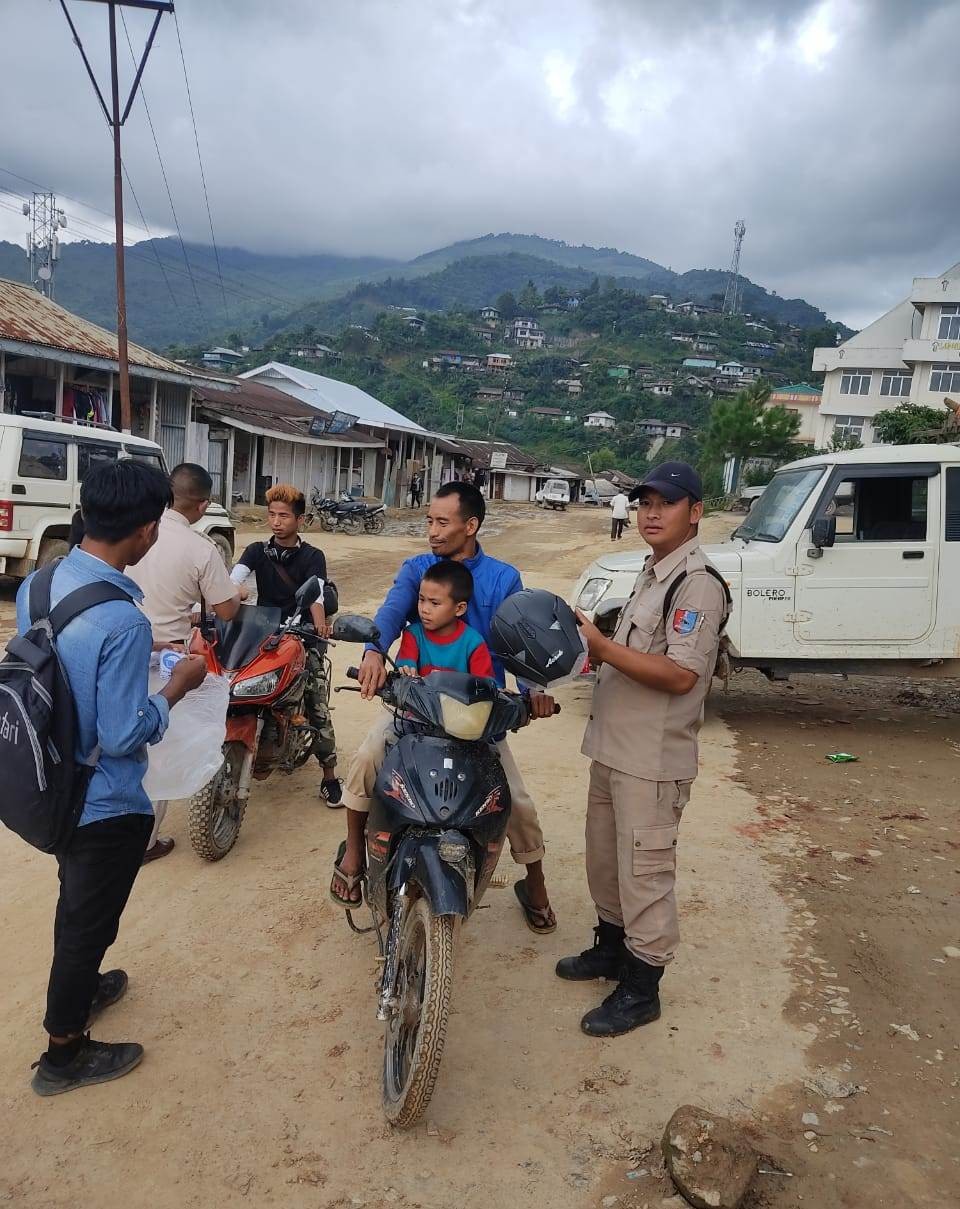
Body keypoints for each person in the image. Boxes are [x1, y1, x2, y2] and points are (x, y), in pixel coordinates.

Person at [17, 460, 207, 1096]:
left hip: (49, 776)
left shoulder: (42, 584)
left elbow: (58, 657)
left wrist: (142, 656)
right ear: (148, 531)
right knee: (86, 921)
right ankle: (63, 1055)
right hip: (102, 802)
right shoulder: (123, 619)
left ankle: (87, 982)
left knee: (78, 903)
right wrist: (177, 684)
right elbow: (124, 734)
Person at [330, 481, 558, 932]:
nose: (431, 531)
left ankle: (534, 880)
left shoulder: (503, 578)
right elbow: (391, 615)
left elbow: (520, 640)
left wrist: (533, 691)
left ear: (470, 526)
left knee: (518, 801)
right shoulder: (417, 569)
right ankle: (355, 851)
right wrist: (374, 652)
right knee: (366, 759)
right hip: (417, 710)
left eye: (441, 522)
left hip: (478, 718)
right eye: (429, 521)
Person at [560, 461, 729, 1038]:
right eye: (644, 503)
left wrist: (603, 648)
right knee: (605, 863)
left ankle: (641, 988)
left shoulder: (696, 583)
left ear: (696, 512)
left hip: (652, 762)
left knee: (646, 874)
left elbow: (682, 675)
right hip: (613, 749)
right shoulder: (651, 574)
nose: (652, 513)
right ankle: (610, 950)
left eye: (667, 503)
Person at [330, 561, 494, 905]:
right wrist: (403, 672)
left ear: (460, 608)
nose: (424, 609)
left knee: (499, 788)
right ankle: (356, 847)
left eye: (435, 603)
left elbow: (486, 687)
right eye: (421, 600)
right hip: (411, 723)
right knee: (364, 758)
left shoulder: (474, 644)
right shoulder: (414, 634)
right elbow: (405, 665)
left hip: (460, 732)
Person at [126, 463, 245, 862]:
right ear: (203, 504)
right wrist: (239, 593)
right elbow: (226, 611)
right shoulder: (200, 547)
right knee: (160, 744)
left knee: (117, 737)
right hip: (165, 658)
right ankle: (143, 842)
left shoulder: (134, 530)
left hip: (119, 645)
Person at [229, 483, 342, 804]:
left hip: (302, 633)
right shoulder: (255, 551)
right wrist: (225, 597)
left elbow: (316, 591)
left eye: (284, 516)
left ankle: (329, 776)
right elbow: (233, 580)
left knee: (317, 703)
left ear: (300, 520)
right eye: (272, 514)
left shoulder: (311, 556)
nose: (276, 521)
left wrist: (319, 623)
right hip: (264, 631)